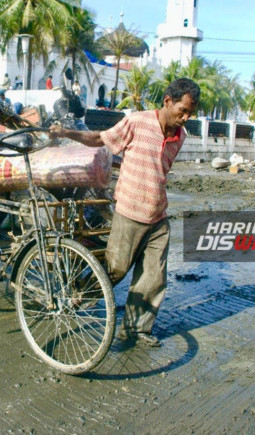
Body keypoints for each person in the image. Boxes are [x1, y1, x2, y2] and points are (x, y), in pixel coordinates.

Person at [50, 77, 200, 347]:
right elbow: (99, 139)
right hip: (130, 210)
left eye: (190, 113)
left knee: (153, 277)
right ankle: (79, 292)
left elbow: (160, 171)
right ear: (168, 101)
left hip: (158, 215)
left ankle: (136, 329)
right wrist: (65, 133)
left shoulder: (181, 136)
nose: (186, 118)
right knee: (116, 269)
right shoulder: (137, 122)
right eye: (183, 111)